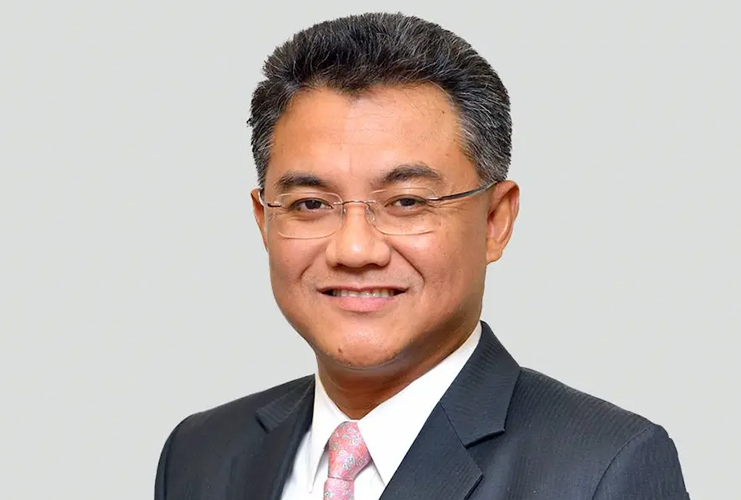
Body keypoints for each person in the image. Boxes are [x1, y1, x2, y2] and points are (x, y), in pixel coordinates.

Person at [154, 12, 690, 500]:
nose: (354, 249)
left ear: (495, 220)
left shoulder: (601, 469)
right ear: (264, 221)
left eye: (407, 202)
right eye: (311, 204)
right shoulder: (200, 455)